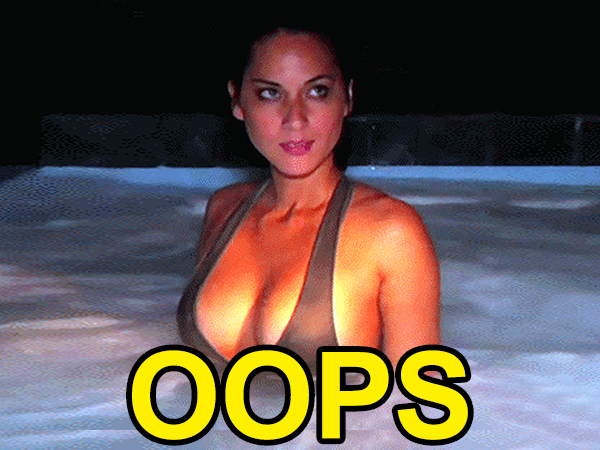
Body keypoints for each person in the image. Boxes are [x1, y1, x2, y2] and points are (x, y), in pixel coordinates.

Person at [177, 26, 440, 375]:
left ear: (347, 98)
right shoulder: (224, 209)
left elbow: (419, 393)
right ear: (237, 101)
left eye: (317, 91)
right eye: (270, 94)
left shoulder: (391, 232)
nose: (295, 119)